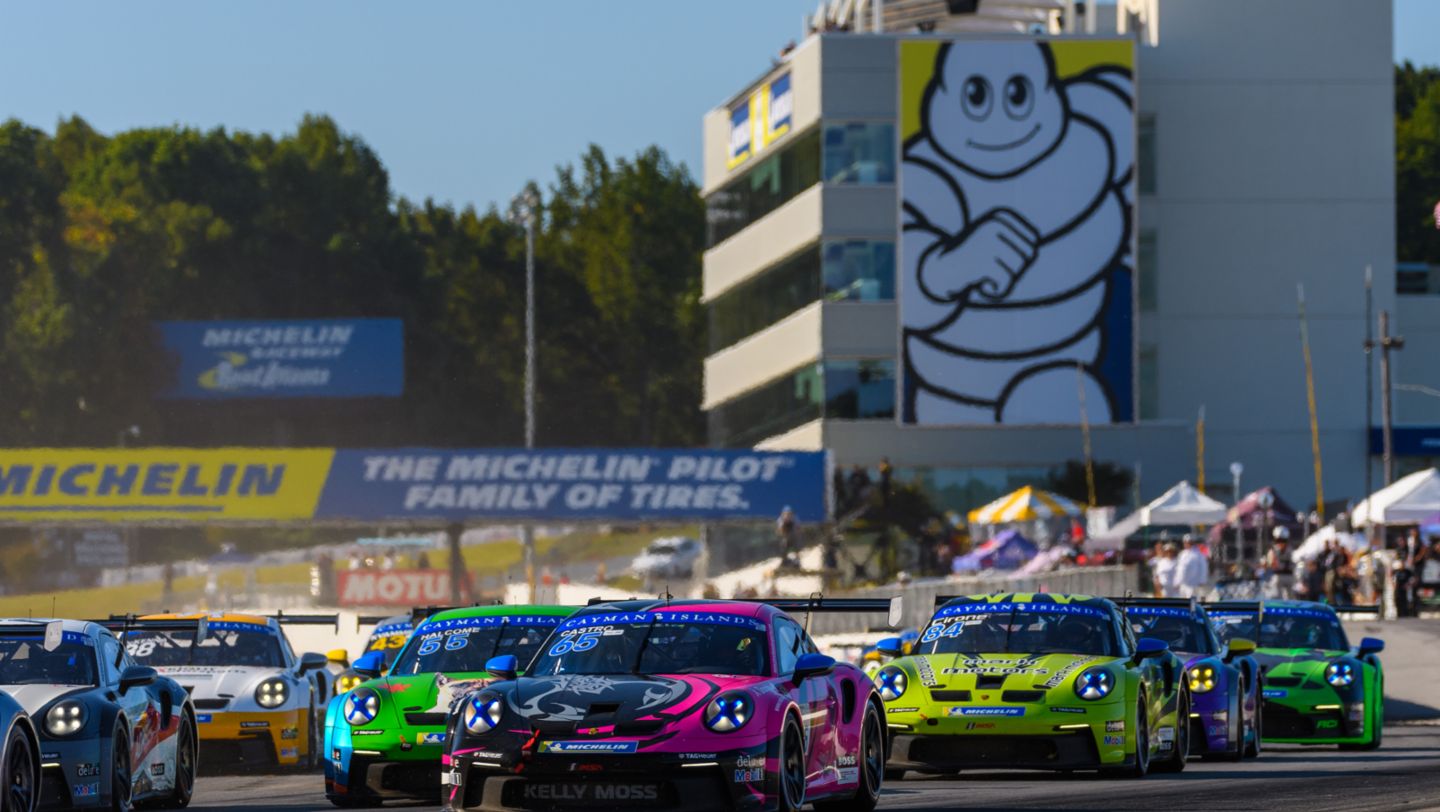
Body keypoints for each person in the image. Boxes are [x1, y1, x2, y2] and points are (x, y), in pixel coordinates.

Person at [1175, 535, 1210, 599]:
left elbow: (1203, 568)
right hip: (1182, 584)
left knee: (1192, 601)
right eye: (1186, 542)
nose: (1187, 544)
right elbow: (1179, 569)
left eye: (1189, 542)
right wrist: (1177, 581)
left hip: (1193, 584)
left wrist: (1202, 580)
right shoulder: (1182, 554)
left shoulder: (1198, 554)